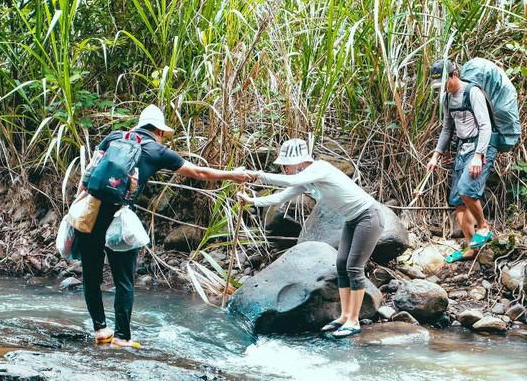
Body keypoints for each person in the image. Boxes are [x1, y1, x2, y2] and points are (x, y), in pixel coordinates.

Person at [76, 104, 253, 347]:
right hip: (121, 220)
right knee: (124, 281)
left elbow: (87, 176)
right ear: (159, 130)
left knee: (91, 276)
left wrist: (75, 208)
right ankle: (122, 337)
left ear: (139, 124)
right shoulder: (156, 150)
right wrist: (232, 175)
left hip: (90, 214)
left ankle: (100, 330)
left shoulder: (114, 137)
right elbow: (198, 173)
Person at [237, 139, 383, 338]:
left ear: (298, 161)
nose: (284, 169)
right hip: (351, 220)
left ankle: (354, 320)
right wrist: (252, 201)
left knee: (353, 267)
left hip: (368, 216)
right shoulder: (305, 180)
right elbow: (281, 196)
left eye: (286, 164)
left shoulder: (320, 168)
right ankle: (344, 316)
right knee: (341, 265)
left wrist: (257, 176)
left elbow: (289, 181)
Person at [426, 59, 496, 263]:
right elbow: (447, 129)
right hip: (463, 148)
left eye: (444, 83)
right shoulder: (447, 98)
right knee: (457, 201)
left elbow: (485, 127)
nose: (443, 89)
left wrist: (478, 155)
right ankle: (471, 247)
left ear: (454, 75)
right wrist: (436, 155)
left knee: (467, 190)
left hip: (480, 147)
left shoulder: (472, 92)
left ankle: (484, 227)